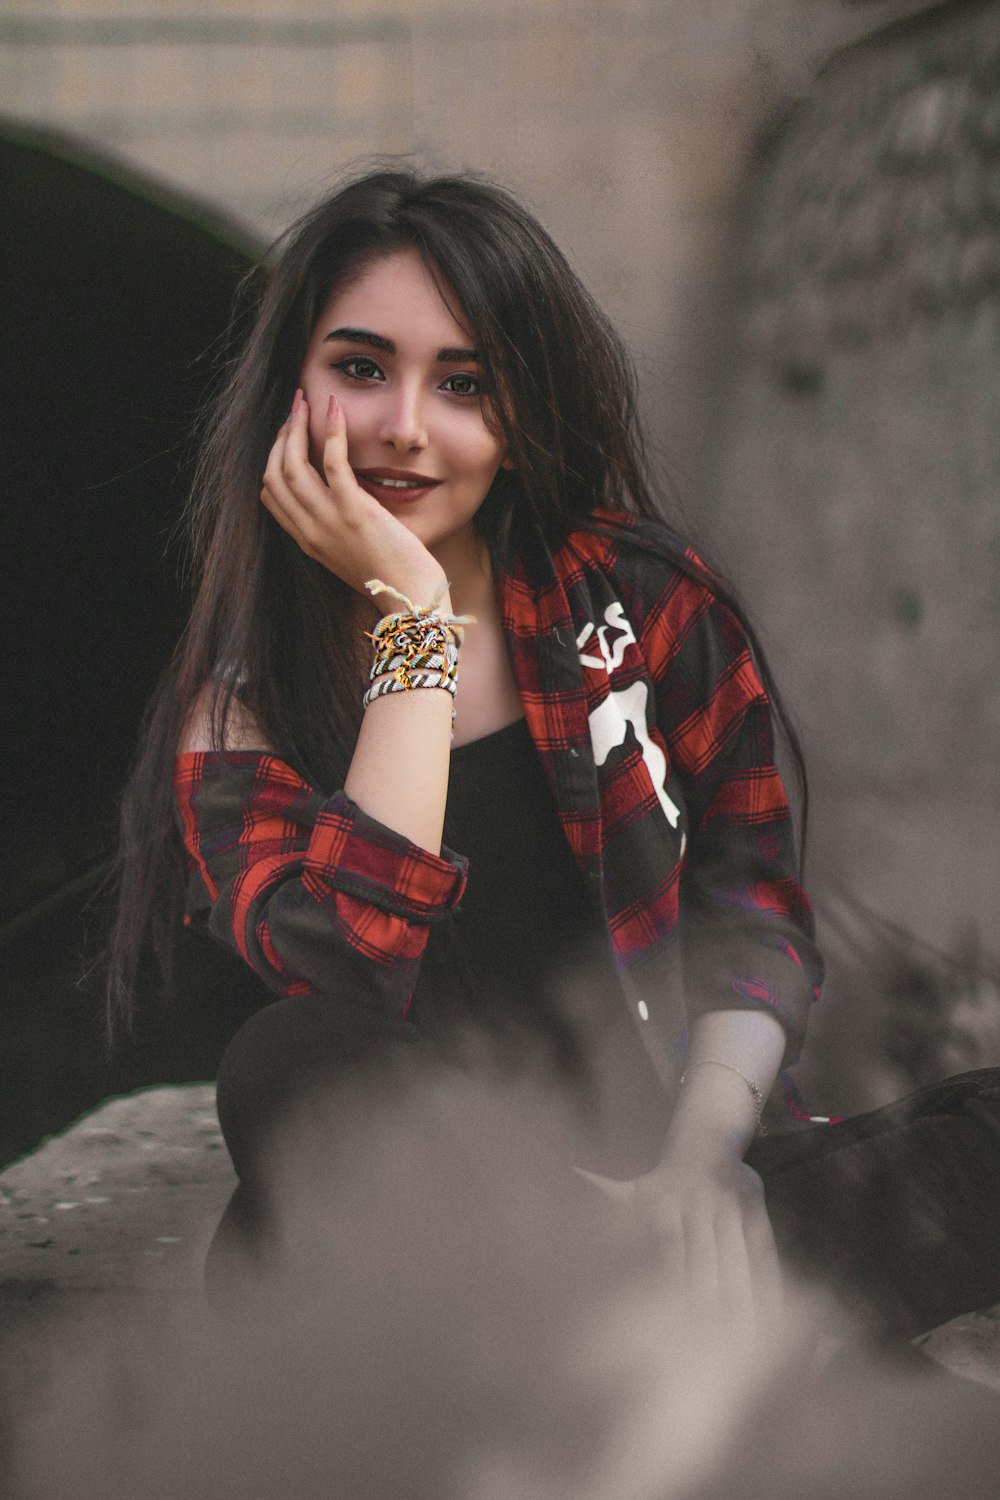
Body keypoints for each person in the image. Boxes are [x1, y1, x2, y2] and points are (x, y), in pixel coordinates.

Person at [110, 166, 1000, 1336]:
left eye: (464, 383)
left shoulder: (645, 601)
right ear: (293, 387)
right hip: (443, 1213)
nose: (404, 425)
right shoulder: (242, 714)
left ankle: (637, 1308)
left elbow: (751, 915)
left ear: (521, 418)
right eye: (360, 367)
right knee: (288, 1060)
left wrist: (693, 1170)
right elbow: (348, 976)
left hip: (684, 1189)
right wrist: (414, 628)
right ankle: (678, 1314)